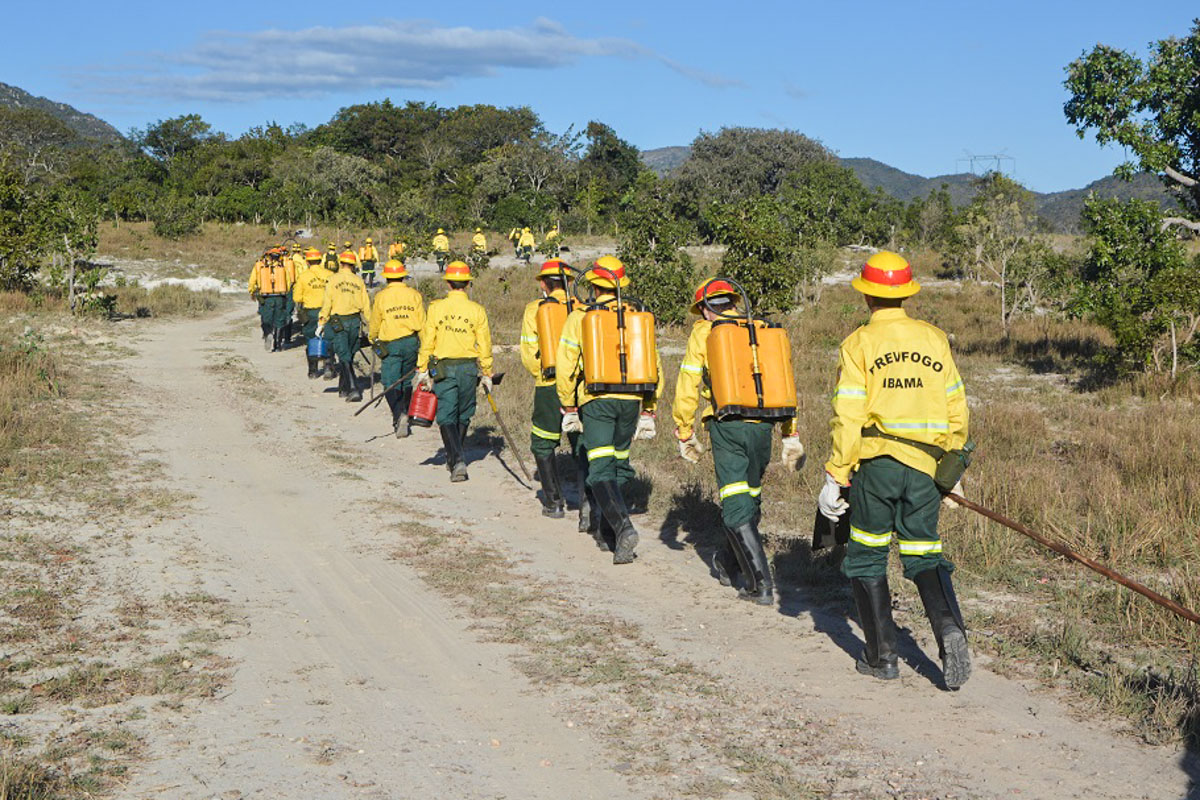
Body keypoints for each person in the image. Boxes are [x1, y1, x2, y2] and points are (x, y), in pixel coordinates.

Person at [817, 251, 971, 689]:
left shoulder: (859, 344)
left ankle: (881, 657)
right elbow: (957, 406)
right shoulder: (934, 338)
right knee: (924, 555)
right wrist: (952, 461)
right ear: (906, 294)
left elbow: (847, 416)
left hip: (878, 468)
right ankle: (949, 630)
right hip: (926, 469)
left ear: (866, 294)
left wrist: (835, 473)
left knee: (866, 555)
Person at [671, 280, 805, 606]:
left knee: (733, 502)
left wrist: (683, 429)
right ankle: (729, 563)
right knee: (751, 496)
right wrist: (790, 432)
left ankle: (761, 584)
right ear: (732, 302)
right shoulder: (760, 331)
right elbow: (783, 382)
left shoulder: (705, 332)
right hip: (763, 428)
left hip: (727, 426)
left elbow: (689, 381)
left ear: (704, 307)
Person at [555, 256, 662, 565]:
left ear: (593, 285)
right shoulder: (637, 317)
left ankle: (623, 528)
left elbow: (566, 365)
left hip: (596, 402)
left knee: (600, 468)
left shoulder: (581, 317)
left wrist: (568, 404)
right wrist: (649, 409)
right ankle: (607, 532)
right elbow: (654, 367)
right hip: (632, 402)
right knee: (616, 466)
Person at [415, 262, 493, 482]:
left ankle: (456, 459)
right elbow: (484, 344)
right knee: (464, 413)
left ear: (448, 283)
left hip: (445, 368)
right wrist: (487, 372)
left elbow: (428, 340)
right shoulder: (477, 310)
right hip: (469, 368)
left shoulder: (436, 308)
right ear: (468, 284)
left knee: (447, 414)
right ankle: (456, 458)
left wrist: (422, 368)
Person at [519, 259, 572, 518]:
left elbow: (529, 354)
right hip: (580, 388)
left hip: (549, 385)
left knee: (542, 443)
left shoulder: (535, 309)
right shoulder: (582, 308)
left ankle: (554, 501)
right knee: (584, 444)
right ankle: (589, 506)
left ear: (543, 283)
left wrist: (543, 374)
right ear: (569, 282)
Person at [369, 259, 426, 438]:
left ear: (387, 278)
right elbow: (423, 324)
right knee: (406, 380)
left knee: (389, 382)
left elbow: (375, 322)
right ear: (403, 276)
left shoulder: (381, 297)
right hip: (411, 342)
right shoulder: (414, 295)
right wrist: (425, 347)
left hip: (391, 344)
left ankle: (398, 415)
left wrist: (373, 338)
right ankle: (404, 413)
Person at [318, 251, 371, 403]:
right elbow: (366, 306)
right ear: (353, 265)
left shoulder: (333, 280)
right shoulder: (359, 281)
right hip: (355, 321)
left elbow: (327, 303)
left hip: (338, 322)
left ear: (340, 264)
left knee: (344, 356)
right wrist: (372, 325)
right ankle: (343, 388)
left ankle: (354, 389)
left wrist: (322, 321)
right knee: (348, 355)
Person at [292, 247, 334, 378]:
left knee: (311, 339)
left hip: (311, 312)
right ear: (320, 260)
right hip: (328, 311)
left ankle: (313, 370)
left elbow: (296, 298)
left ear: (308, 262)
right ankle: (329, 366)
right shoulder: (330, 275)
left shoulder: (304, 277)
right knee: (328, 338)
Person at [248, 248, 293, 352]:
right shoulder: (283, 268)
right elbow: (288, 282)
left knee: (266, 318)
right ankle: (277, 346)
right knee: (279, 321)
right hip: (279, 297)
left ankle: (268, 333)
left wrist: (252, 292)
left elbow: (252, 281)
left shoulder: (259, 266)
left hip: (266, 298)